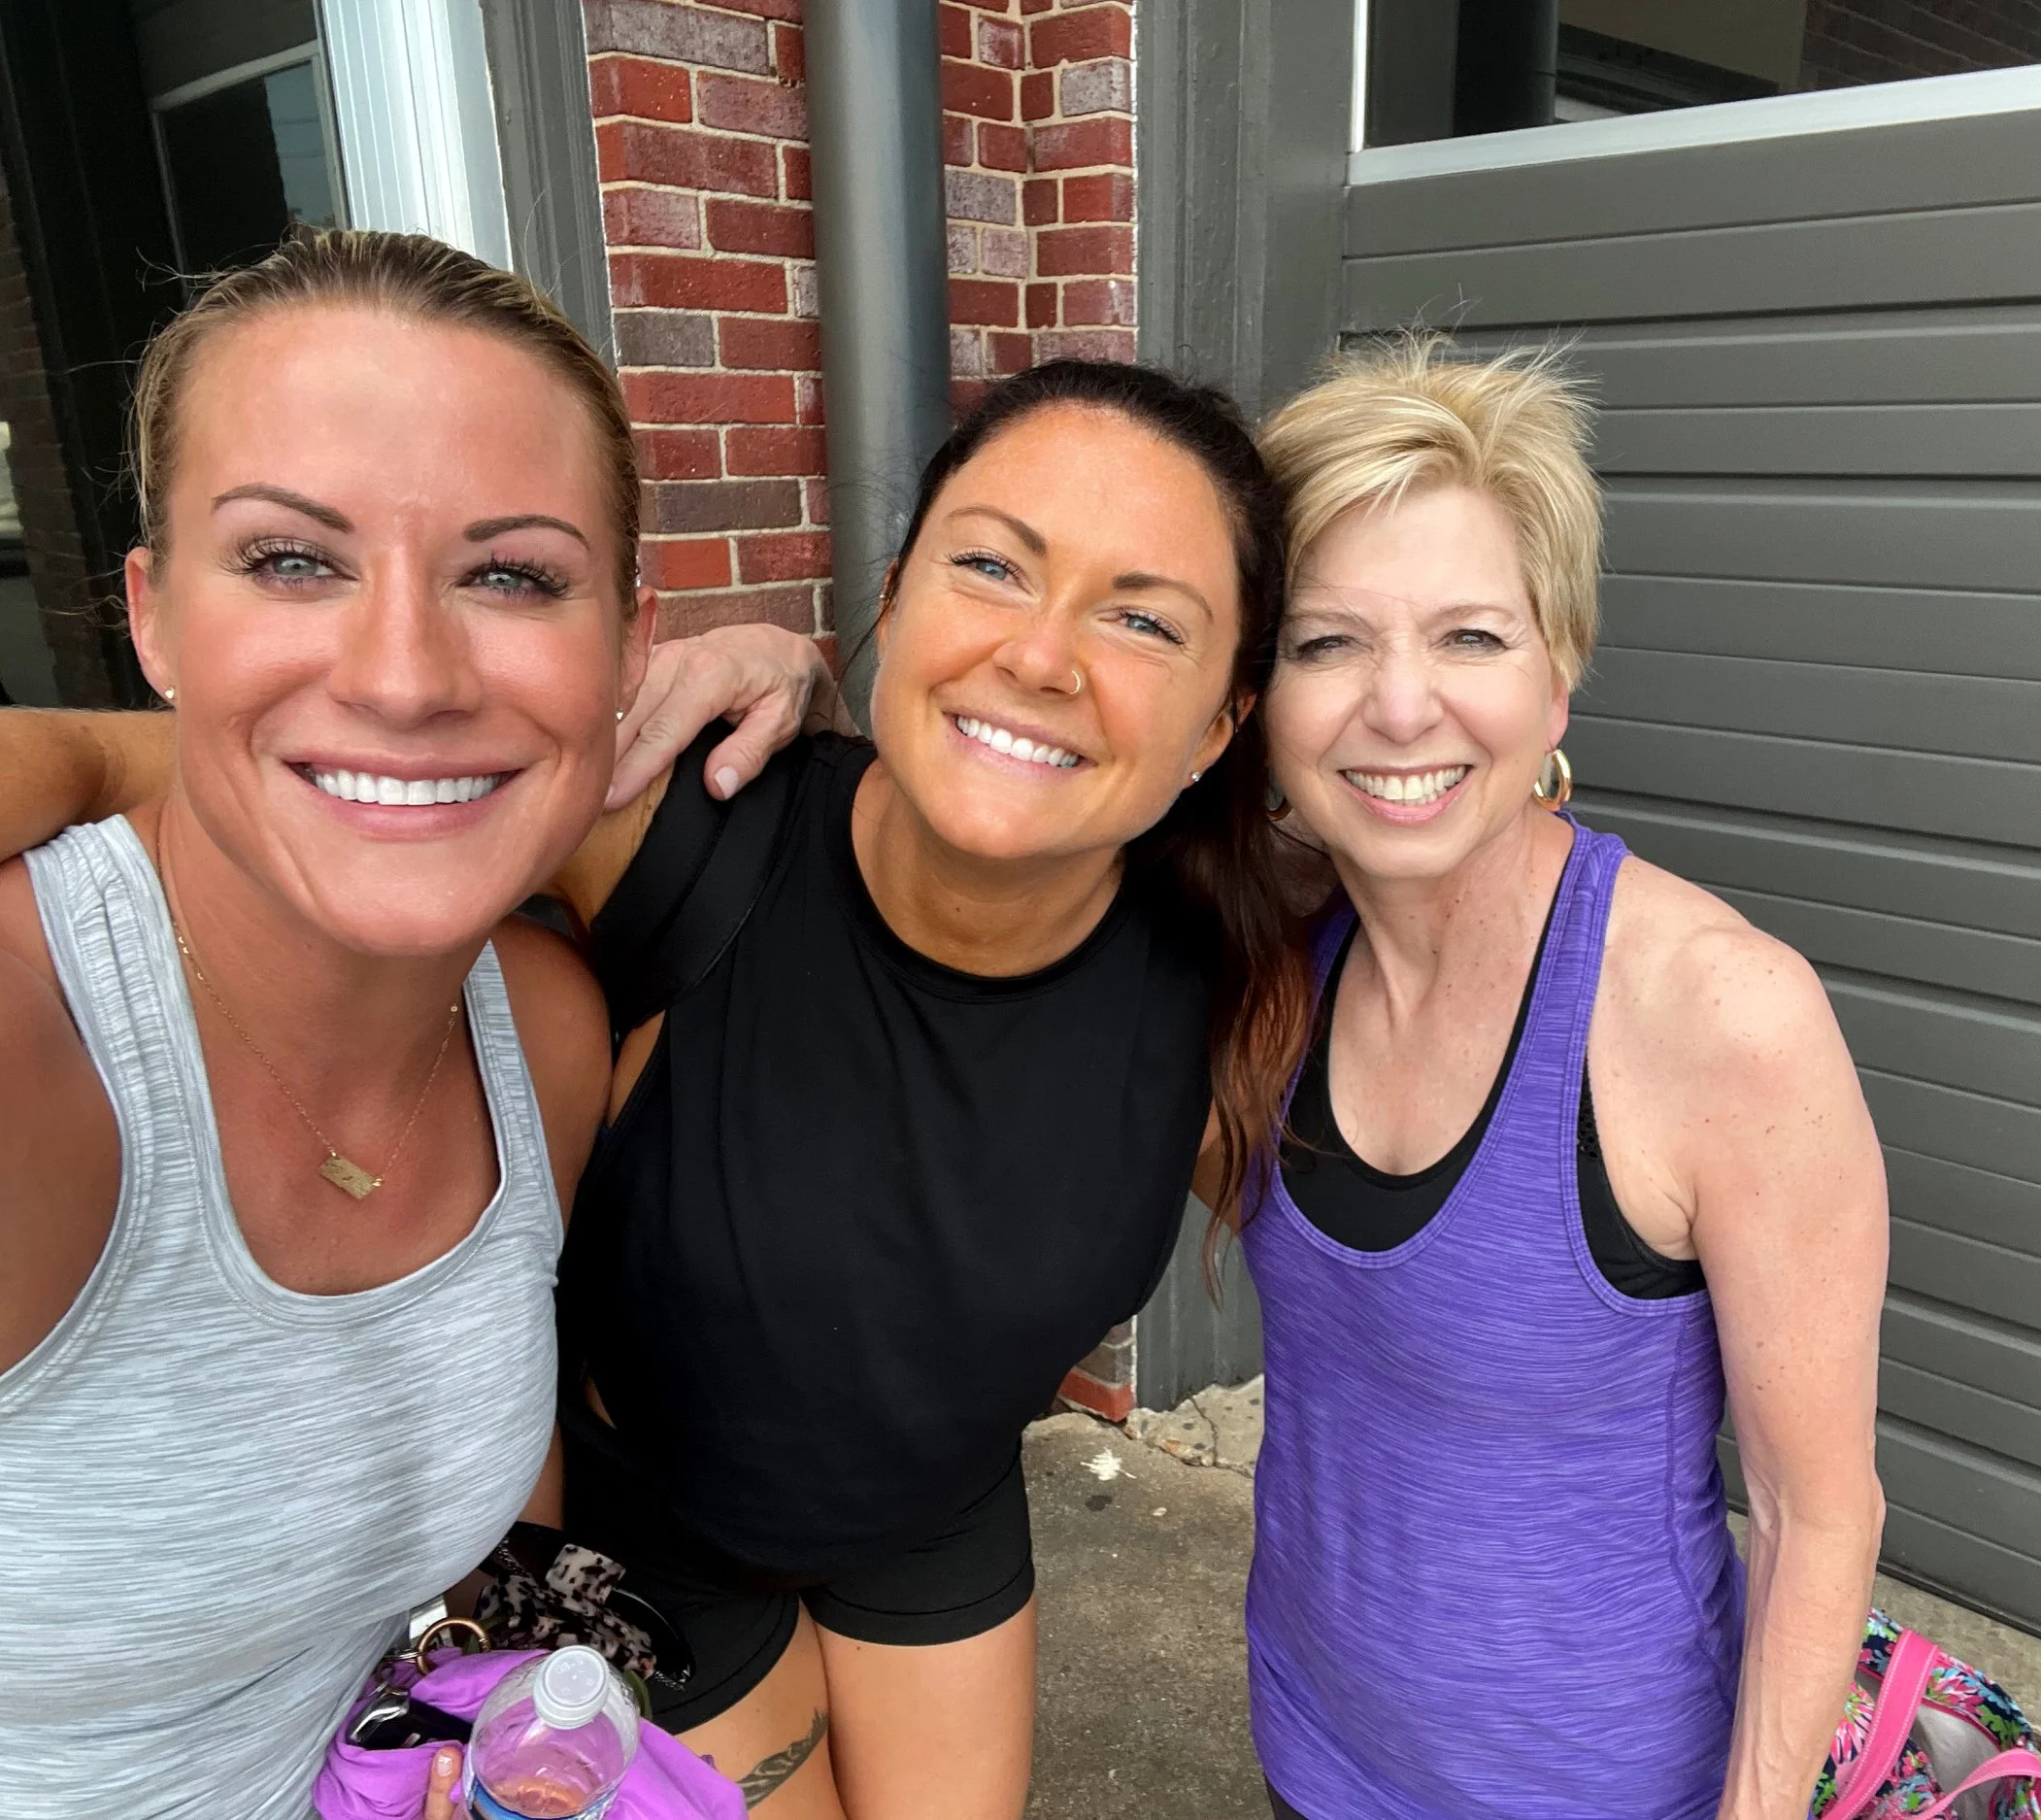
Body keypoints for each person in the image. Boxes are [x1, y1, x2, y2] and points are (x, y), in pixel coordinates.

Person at [0, 357, 1311, 1819]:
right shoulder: (676, 828)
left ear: (1217, 722)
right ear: (893, 595)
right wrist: (54, 746)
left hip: (930, 1518)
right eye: (993, 564)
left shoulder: (1239, 991)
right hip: (654, 1547)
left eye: (1143, 617)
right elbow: (292, 772)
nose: (1045, 654)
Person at [0, 229, 647, 1820]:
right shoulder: (33, 1045)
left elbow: (479, 1539)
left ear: (632, 645)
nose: (408, 672)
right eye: (293, 558)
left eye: (514, 573)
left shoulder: (543, 1032)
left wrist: (475, 1714)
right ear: (152, 618)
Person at [1241, 338, 1890, 1820]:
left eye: (1471, 636)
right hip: (1309, 1746)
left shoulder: (1720, 1014)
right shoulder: (1268, 952)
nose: (1401, 709)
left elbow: (1813, 1509)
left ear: (1561, 671)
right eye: (1327, 640)